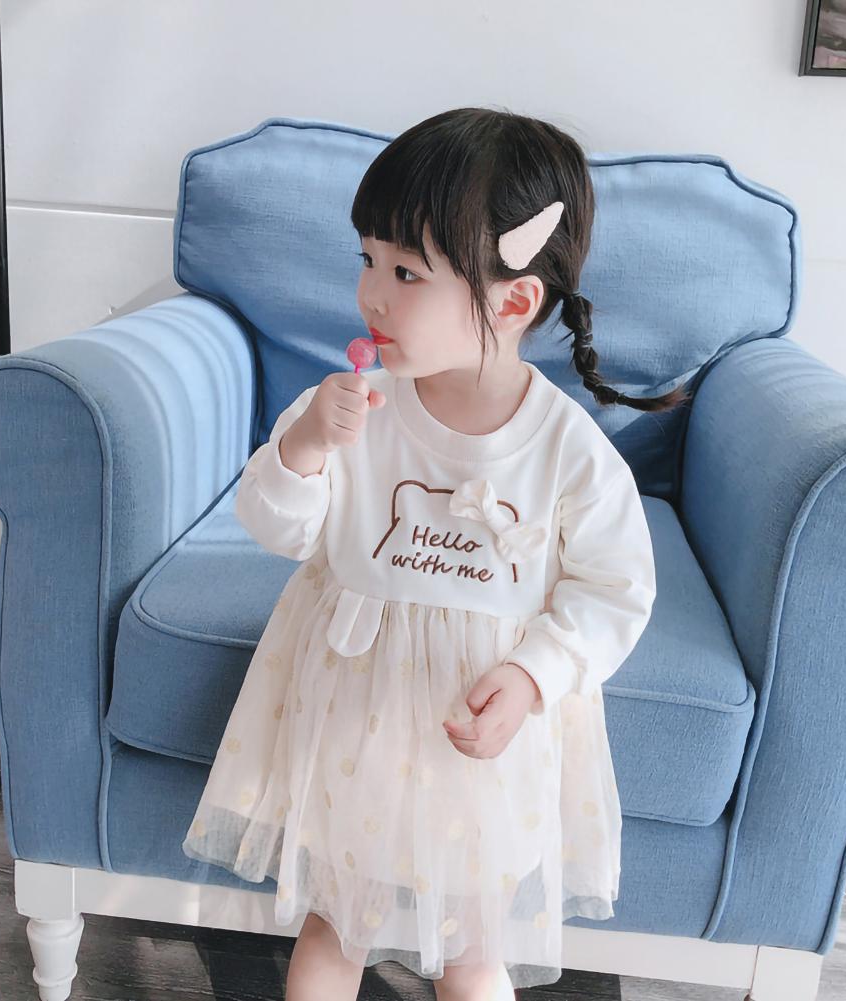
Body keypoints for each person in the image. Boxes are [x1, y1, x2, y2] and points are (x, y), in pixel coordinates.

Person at [181, 106, 688, 1001]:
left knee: (473, 950)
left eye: (406, 271)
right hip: (355, 712)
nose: (372, 295)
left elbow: (613, 590)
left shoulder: (566, 448)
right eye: (367, 260)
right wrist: (305, 447)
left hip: (479, 728)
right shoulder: (353, 408)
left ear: (512, 301)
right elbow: (280, 528)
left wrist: (533, 674)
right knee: (334, 921)